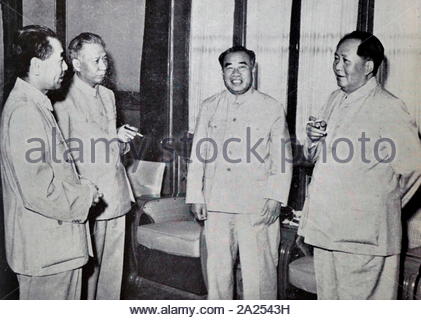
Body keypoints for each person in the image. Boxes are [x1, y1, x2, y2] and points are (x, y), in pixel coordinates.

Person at [298, 31, 421, 299]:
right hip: (326, 230)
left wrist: (383, 205)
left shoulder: (389, 107)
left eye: (345, 60)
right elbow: (318, 159)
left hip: (363, 237)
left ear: (368, 67)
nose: (337, 67)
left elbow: (415, 168)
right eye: (335, 59)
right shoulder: (334, 99)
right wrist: (313, 139)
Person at [0, 25, 101, 299]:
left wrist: (80, 184)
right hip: (47, 251)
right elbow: (38, 190)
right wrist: (85, 194)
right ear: (35, 66)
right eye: (59, 59)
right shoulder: (25, 111)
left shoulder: (34, 103)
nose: (66, 67)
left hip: (52, 247)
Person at [186, 46, 292, 299]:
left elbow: (282, 157)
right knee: (218, 275)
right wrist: (196, 196)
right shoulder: (209, 106)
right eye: (229, 67)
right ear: (222, 72)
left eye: (242, 66)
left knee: (259, 278)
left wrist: (275, 197)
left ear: (252, 69)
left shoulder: (271, 107)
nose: (235, 73)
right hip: (216, 204)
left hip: (256, 206)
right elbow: (198, 155)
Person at [54, 33, 137, 300]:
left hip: (116, 194)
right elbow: (63, 153)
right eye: (96, 61)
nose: (104, 66)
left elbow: (111, 145)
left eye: (105, 59)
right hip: (89, 197)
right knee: (88, 271)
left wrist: (121, 140)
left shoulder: (109, 95)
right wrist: (111, 136)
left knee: (112, 271)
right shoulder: (61, 100)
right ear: (76, 64)